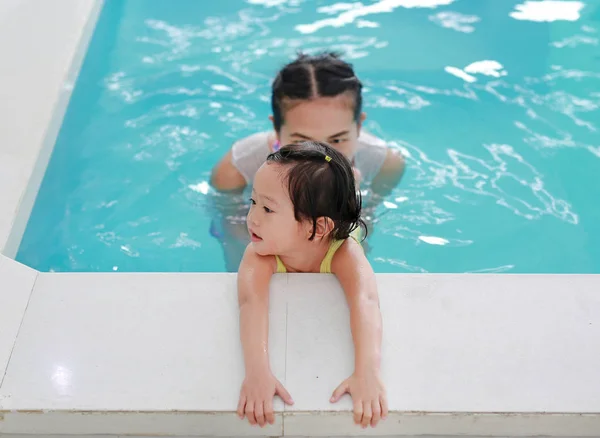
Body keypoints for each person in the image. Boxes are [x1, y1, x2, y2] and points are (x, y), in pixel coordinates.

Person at [236, 141, 387, 429]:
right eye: (253, 202)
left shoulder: (343, 252)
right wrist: (257, 372)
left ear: (317, 228)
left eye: (267, 209)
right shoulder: (260, 254)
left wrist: (367, 371)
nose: (252, 218)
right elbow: (250, 303)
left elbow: (365, 300)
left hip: (337, 228)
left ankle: (353, 180)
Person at [209, 51, 405, 271]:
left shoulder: (383, 165)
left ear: (359, 125)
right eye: (302, 140)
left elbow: (365, 227)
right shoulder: (236, 171)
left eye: (337, 139)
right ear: (276, 128)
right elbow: (237, 244)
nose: (321, 155)